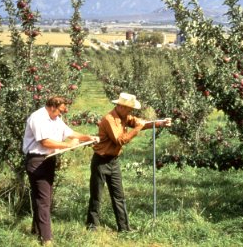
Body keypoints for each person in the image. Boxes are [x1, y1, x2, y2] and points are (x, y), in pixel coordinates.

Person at [85, 92, 171, 232]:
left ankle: (124, 228)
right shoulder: (109, 119)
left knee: (119, 195)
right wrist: (137, 129)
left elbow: (140, 123)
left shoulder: (124, 116)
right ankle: (92, 225)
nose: (131, 112)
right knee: (97, 194)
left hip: (113, 161)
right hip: (101, 161)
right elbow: (120, 140)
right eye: (129, 109)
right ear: (120, 106)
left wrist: (160, 123)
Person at [23, 96, 99, 246]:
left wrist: (87, 137)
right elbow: (45, 142)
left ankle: (36, 230)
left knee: (44, 198)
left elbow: (69, 133)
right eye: (59, 112)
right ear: (52, 107)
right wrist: (68, 145)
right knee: (44, 200)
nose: (60, 115)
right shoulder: (37, 118)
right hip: (37, 161)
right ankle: (46, 239)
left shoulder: (55, 118)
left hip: (49, 159)